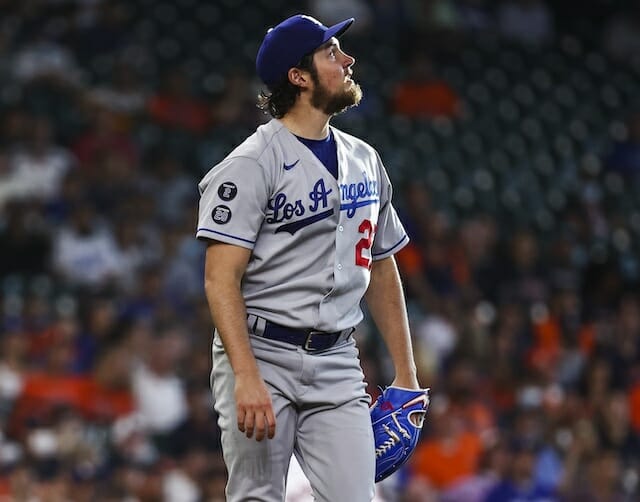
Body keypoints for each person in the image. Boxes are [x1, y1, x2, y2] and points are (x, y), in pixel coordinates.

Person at [196, 14, 421, 502]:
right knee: (257, 495)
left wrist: (406, 374)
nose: (347, 60)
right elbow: (219, 280)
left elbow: (380, 264)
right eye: (331, 53)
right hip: (263, 354)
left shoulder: (365, 159)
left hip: (337, 359)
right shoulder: (249, 165)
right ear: (299, 77)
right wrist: (245, 375)